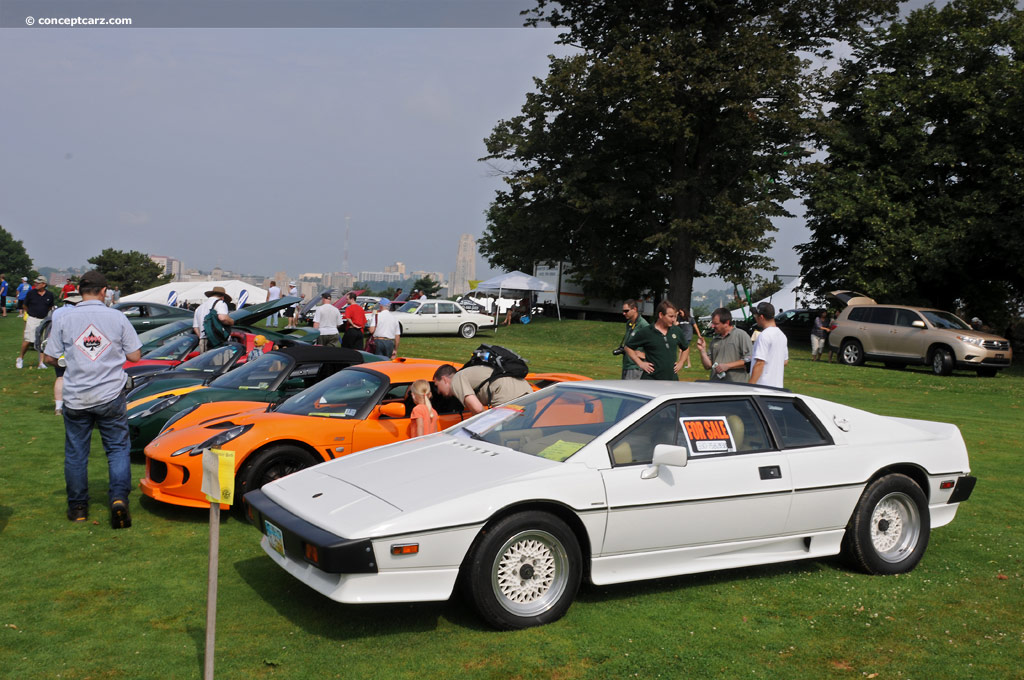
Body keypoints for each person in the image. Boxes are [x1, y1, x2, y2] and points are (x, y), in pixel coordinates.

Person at [42, 270, 142, 527]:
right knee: (118, 449)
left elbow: (49, 357)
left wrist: (71, 357)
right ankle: (119, 498)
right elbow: (135, 356)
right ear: (104, 291)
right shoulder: (116, 317)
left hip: (75, 396)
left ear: (79, 291)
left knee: (76, 454)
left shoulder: (64, 317)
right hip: (110, 394)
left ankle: (78, 508)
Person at [623, 300, 690, 380]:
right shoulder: (647, 331)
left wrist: (681, 362)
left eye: (675, 317)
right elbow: (628, 347)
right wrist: (640, 363)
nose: (673, 320)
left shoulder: (676, 331)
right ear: (661, 315)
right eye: (671, 316)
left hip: (672, 381)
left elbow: (686, 348)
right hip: (651, 380)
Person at [433, 362, 532, 415]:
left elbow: (477, 409)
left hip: (508, 397)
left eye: (437, 386)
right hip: (528, 393)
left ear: (444, 379)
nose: (438, 391)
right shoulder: (466, 374)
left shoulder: (456, 380)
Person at [696, 307, 753, 382]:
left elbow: (749, 361)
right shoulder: (714, 340)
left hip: (736, 387)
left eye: (716, 324)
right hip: (715, 386)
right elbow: (708, 366)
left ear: (727, 323)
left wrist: (728, 366)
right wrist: (702, 350)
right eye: (712, 323)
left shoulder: (741, 335)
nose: (712, 326)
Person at [17, 276, 55, 369]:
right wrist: (31, 313)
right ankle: (20, 358)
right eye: (35, 282)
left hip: (44, 320)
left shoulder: (49, 295)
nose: (36, 284)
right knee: (28, 339)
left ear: (44, 284)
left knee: (42, 341)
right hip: (32, 318)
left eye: (38, 283)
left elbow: (50, 307)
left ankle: (41, 363)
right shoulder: (31, 293)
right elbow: (25, 305)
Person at [748, 302, 789, 388]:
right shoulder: (782, 335)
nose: (755, 318)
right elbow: (785, 361)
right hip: (777, 388)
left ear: (761, 317)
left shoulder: (764, 335)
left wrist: (749, 386)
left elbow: (760, 363)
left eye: (755, 316)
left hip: (762, 388)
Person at [192, 286, 234, 352]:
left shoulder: (199, 308)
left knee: (205, 361)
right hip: (218, 341)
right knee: (221, 362)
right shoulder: (220, 303)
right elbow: (222, 318)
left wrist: (203, 337)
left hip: (203, 341)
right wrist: (231, 321)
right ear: (222, 297)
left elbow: (195, 327)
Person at [619, 299, 649, 379]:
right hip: (626, 365)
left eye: (626, 311)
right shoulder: (629, 323)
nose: (624, 313)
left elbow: (654, 345)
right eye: (623, 311)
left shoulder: (644, 325)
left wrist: (644, 355)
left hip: (635, 367)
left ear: (635, 309)